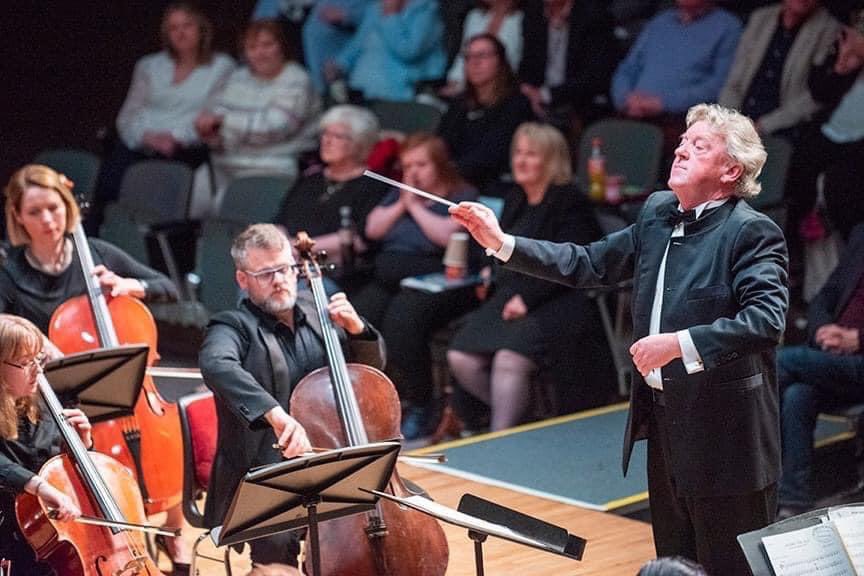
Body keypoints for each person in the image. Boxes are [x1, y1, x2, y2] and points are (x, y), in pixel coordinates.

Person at [450, 103, 789, 574]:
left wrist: (678, 344)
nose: (681, 150)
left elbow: (767, 320)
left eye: (699, 145)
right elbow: (588, 263)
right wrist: (502, 241)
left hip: (728, 435)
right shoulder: (656, 212)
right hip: (667, 424)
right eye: (682, 142)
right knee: (673, 562)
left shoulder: (751, 231)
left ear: (731, 169)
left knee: (728, 567)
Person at [0, 164, 186, 570]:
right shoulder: (9, 273)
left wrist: (129, 286)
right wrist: (34, 340)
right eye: (36, 212)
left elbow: (169, 287)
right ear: (18, 216)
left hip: (114, 389)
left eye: (54, 207)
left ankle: (171, 529)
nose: (49, 220)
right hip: (42, 393)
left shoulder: (95, 253)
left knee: (149, 452)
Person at [199, 224, 384, 575]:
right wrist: (276, 415)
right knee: (276, 556)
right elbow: (216, 364)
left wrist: (357, 331)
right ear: (243, 279)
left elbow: (367, 376)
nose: (280, 280)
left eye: (285, 269)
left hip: (332, 463)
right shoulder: (232, 325)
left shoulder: (320, 313)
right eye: (266, 273)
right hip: (267, 475)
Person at [447, 122, 605, 432]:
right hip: (512, 294)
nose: (520, 161)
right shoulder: (515, 197)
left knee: (510, 358)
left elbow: (574, 262)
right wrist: (487, 270)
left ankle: (499, 435)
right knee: (460, 356)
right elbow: (497, 244)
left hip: (559, 299)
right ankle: (527, 414)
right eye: (518, 153)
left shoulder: (569, 201)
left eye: (531, 154)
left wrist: (526, 299)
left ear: (551, 160)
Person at [349, 134, 477, 440]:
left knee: (401, 324)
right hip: (390, 276)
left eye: (421, 164)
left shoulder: (459, 194)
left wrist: (415, 207)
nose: (414, 172)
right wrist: (403, 202)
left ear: (439, 165)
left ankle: (419, 403)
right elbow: (372, 229)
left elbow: (446, 236)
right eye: (407, 165)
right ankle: (371, 401)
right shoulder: (400, 193)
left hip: (437, 280)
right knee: (356, 318)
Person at [88, 2, 235, 234]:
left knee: (160, 197)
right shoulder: (148, 65)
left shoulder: (221, 67)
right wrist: (148, 138)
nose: (181, 33)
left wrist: (174, 138)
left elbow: (212, 115)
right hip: (141, 142)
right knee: (107, 185)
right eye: (173, 27)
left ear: (201, 29)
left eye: (187, 25)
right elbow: (128, 116)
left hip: (186, 148)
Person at [777, 222, 864, 518]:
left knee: (778, 364)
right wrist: (823, 330)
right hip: (835, 360)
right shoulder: (861, 233)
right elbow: (826, 295)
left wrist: (857, 339)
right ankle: (793, 502)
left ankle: (732, 461)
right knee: (797, 396)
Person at [195, 19, 320, 217]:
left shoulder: (297, 79)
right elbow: (214, 116)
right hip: (225, 162)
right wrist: (209, 132)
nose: (260, 53)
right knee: (192, 200)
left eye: (267, 45)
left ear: (282, 47)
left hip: (271, 166)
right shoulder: (238, 77)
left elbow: (276, 127)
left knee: (223, 208)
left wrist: (223, 123)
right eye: (252, 47)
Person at [0, 314, 93, 575]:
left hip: (49, 533)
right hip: (9, 537)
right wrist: (39, 488)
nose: (38, 371)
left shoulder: (43, 405)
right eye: (25, 363)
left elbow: (54, 465)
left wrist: (82, 446)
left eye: (38, 360)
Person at [274, 104, 390, 270]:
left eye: (337, 136)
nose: (327, 141)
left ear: (359, 143)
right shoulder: (311, 177)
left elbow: (358, 240)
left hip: (331, 268)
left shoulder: (373, 184)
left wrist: (299, 249)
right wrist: (284, 249)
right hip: (288, 262)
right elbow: (280, 221)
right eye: (325, 133)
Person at [718, 0, 840, 139]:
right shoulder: (761, 17)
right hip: (737, 120)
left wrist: (762, 126)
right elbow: (734, 80)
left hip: (782, 130)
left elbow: (815, 97)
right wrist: (729, 119)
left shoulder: (830, 30)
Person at [437, 33, 534, 188]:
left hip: (496, 186)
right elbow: (440, 144)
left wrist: (447, 174)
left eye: (482, 55)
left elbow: (494, 155)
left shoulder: (517, 105)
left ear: (500, 61)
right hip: (453, 183)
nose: (474, 63)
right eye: (469, 57)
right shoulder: (459, 103)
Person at [517, 0, 618, 130]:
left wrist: (545, 95)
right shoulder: (534, 12)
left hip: (577, 100)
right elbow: (527, 65)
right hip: (537, 100)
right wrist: (527, 89)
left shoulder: (595, 15)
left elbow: (595, 76)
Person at [326, 0, 446, 102]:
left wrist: (391, 16)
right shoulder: (375, 8)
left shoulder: (426, 11)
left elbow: (409, 51)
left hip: (399, 96)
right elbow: (358, 44)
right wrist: (339, 64)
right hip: (359, 91)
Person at [439, 0, 524, 97]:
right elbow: (464, 53)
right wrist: (455, 81)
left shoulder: (523, 20)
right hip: (465, 86)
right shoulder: (474, 16)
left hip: (505, 88)